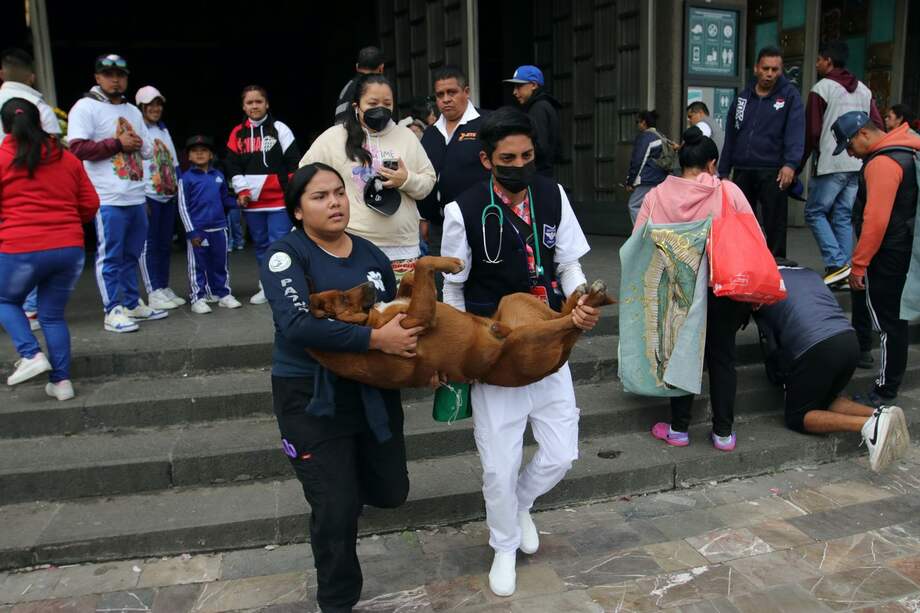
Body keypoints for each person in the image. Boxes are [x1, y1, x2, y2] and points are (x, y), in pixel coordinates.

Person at [440, 107, 599, 597]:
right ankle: (504, 544)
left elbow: (567, 263)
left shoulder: (552, 195)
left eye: (527, 155)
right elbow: (453, 291)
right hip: (497, 353)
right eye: (508, 157)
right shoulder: (461, 210)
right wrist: (465, 353)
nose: (520, 164)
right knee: (498, 465)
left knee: (561, 453)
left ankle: (521, 503)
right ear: (488, 159)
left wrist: (578, 303)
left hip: (549, 341)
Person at [261, 163, 421, 612]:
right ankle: (336, 599)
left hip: (371, 391)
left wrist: (420, 359)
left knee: (391, 491)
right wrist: (373, 338)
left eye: (338, 193)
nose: (334, 202)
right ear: (297, 210)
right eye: (319, 196)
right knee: (335, 507)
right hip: (309, 395)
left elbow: (391, 313)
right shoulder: (285, 256)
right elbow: (295, 325)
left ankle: (346, 490)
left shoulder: (370, 255)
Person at [637, 126, 756, 452]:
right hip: (724, 288)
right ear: (712, 164)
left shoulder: (656, 196)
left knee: (680, 356)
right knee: (723, 358)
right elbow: (752, 239)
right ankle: (723, 433)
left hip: (679, 290)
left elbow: (640, 244)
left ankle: (678, 429)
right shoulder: (728, 192)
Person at [754, 266, 909, 472]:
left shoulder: (763, 285)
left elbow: (772, 345)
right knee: (824, 399)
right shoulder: (808, 274)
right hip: (848, 340)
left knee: (797, 417)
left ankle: (868, 427)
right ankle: (881, 414)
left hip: (816, 347)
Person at [0, 98, 99, 399]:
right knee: (52, 317)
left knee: (4, 300)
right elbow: (90, 204)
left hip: (20, 248)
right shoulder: (66, 158)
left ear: (5, 127)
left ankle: (30, 354)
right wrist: (66, 225)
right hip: (69, 249)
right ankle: (61, 382)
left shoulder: (2, 158)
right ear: (40, 122)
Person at [300, 74, 436, 281]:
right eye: (373, 103)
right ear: (357, 105)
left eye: (387, 103)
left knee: (402, 311)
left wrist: (406, 179)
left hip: (402, 246)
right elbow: (304, 178)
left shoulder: (407, 137)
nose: (380, 108)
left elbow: (428, 181)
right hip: (351, 244)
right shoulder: (333, 138)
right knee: (362, 311)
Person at [68, 54, 167, 333]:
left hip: (135, 193)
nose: (115, 79)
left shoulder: (133, 111)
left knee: (131, 254)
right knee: (110, 255)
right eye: (108, 74)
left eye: (120, 75)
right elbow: (76, 148)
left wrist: (137, 144)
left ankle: (132, 302)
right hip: (107, 196)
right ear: (97, 77)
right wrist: (116, 143)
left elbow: (147, 149)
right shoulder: (85, 107)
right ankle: (112, 310)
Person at [832, 111, 920, 407]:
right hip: (909, 245)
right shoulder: (910, 146)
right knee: (896, 320)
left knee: (887, 322)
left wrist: (859, 264)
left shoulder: (882, 162)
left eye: (849, 145)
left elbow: (876, 221)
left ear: (864, 134)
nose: (850, 153)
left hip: (890, 252)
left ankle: (884, 389)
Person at [800, 41, 883, 286]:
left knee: (814, 212)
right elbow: (876, 123)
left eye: (818, 59)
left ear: (828, 60)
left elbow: (812, 131)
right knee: (843, 215)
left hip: (832, 161)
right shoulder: (865, 90)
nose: (816, 64)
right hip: (858, 164)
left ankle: (836, 263)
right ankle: (845, 271)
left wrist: (801, 162)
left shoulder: (821, 89)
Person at [719, 46, 805, 261]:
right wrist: (722, 171)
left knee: (774, 223)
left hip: (773, 170)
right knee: (741, 221)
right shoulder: (742, 98)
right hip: (743, 169)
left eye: (775, 69)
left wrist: (791, 164)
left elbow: (796, 131)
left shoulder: (790, 96)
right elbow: (732, 134)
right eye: (765, 68)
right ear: (756, 68)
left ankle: (777, 266)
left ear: (781, 70)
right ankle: (743, 263)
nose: (770, 73)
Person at [1, 48, 64, 331]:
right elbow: (55, 150)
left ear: (2, 74)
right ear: (32, 76)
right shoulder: (39, 106)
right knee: (31, 246)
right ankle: (29, 309)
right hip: (30, 190)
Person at [225, 84, 301, 304]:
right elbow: (232, 165)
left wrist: (292, 193)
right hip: (252, 201)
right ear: (243, 106)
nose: (254, 106)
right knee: (260, 246)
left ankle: (284, 286)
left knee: (279, 243)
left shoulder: (280, 129)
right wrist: (242, 190)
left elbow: (294, 162)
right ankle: (266, 286)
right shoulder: (237, 133)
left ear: (267, 104)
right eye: (250, 102)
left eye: (258, 101)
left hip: (278, 200)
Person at [418, 66, 490, 290]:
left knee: (480, 283)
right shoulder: (430, 134)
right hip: (439, 227)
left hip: (480, 222)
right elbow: (423, 175)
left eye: (452, 92)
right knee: (444, 286)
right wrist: (423, 217)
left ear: (466, 91)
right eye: (440, 95)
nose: (446, 99)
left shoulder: (487, 123)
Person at [135, 85, 185, 311]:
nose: (155, 108)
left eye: (158, 104)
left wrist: (179, 188)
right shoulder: (137, 129)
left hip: (168, 195)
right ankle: (153, 290)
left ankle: (163, 286)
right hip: (149, 195)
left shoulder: (163, 130)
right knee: (149, 244)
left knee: (164, 244)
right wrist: (140, 195)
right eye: (150, 105)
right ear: (141, 107)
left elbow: (174, 162)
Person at [178, 135, 242, 313]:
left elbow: (224, 200)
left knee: (220, 263)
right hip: (198, 230)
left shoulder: (218, 176)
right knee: (197, 265)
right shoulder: (186, 178)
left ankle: (223, 294)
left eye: (204, 150)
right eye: (195, 151)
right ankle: (197, 297)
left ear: (211, 155)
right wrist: (192, 233)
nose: (199, 154)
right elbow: (183, 208)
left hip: (219, 228)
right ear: (189, 157)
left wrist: (238, 202)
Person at [504, 65, 560, 177]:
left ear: (533, 85)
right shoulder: (541, 105)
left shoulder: (538, 108)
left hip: (539, 173)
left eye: (519, 86)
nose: (514, 92)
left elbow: (540, 147)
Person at [625, 110, 669, 224]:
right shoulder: (660, 135)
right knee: (652, 207)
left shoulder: (645, 137)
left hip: (647, 178)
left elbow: (638, 160)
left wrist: (630, 182)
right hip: (661, 178)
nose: (637, 125)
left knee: (634, 205)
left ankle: (641, 234)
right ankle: (654, 233)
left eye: (637, 122)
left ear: (643, 122)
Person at [334, 46, 385, 125]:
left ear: (357, 67)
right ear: (381, 68)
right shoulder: (373, 88)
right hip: (357, 134)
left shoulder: (348, 86)